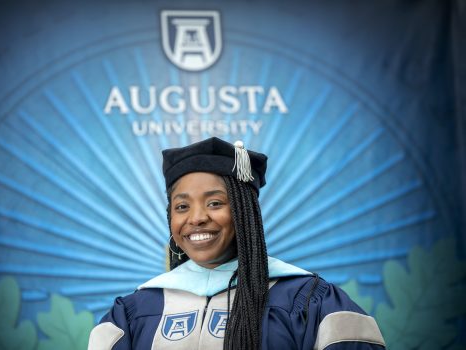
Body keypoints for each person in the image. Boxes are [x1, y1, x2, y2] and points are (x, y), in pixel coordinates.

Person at [88, 137, 386, 350]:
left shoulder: (308, 300)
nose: (197, 218)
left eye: (215, 203)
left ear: (245, 214)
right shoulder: (134, 311)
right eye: (182, 207)